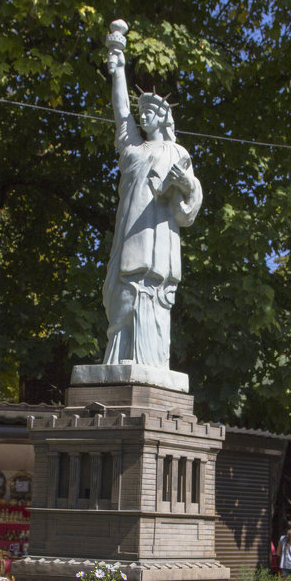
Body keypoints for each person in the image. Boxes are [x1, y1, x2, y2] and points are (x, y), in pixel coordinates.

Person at [101, 20, 203, 369]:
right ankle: (120, 359)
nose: (143, 114)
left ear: (164, 116)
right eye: (141, 110)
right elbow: (120, 113)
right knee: (123, 300)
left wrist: (186, 186)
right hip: (130, 242)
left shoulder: (177, 152)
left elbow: (188, 206)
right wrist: (118, 68)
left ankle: (153, 365)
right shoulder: (132, 151)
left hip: (158, 248)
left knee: (155, 301)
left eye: (151, 110)